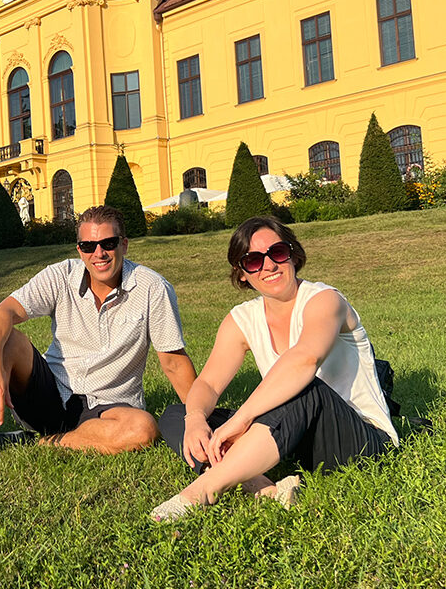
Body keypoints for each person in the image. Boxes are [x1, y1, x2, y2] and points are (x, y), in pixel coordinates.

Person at [0, 205, 197, 488]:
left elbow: (174, 363)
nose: (98, 253)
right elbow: (1, 314)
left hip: (109, 406)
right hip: (52, 392)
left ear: (124, 245)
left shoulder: (152, 288)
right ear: (79, 250)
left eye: (108, 243)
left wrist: (201, 416)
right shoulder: (61, 275)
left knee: (143, 429)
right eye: (88, 245)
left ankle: (42, 442)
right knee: (9, 341)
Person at [150, 216, 397, 521]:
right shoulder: (243, 319)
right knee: (177, 414)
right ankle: (260, 485)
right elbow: (209, 384)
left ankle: (200, 491)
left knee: (304, 386)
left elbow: (304, 360)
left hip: (359, 438)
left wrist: (242, 419)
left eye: (277, 253)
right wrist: (197, 418)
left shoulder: (325, 300)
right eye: (253, 260)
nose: (268, 266)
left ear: (293, 255)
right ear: (242, 274)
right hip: (294, 438)